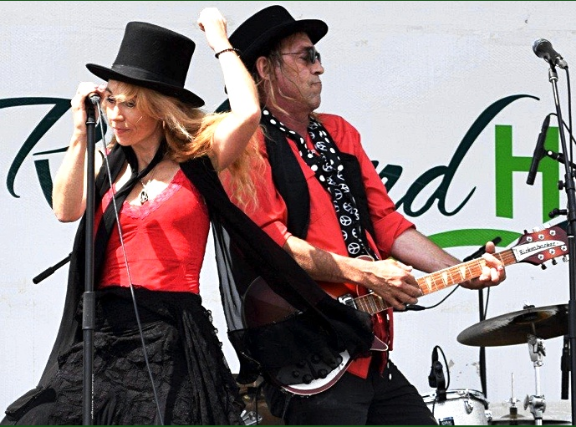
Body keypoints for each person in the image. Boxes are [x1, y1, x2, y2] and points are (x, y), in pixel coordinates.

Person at [218, 5, 508, 425]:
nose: (319, 67)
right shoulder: (248, 142)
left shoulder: (339, 132)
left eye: (318, 56)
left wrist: (462, 271)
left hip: (368, 346)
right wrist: (367, 273)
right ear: (265, 68)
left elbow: (387, 224)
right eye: (306, 56)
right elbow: (271, 243)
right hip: (309, 351)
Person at [1, 8, 261, 425]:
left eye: (130, 104)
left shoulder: (198, 161)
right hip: (105, 332)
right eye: (111, 100)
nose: (116, 114)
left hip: (170, 334)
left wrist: (220, 41)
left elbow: (247, 114)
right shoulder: (105, 163)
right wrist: (79, 133)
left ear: (159, 109)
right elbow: (65, 210)